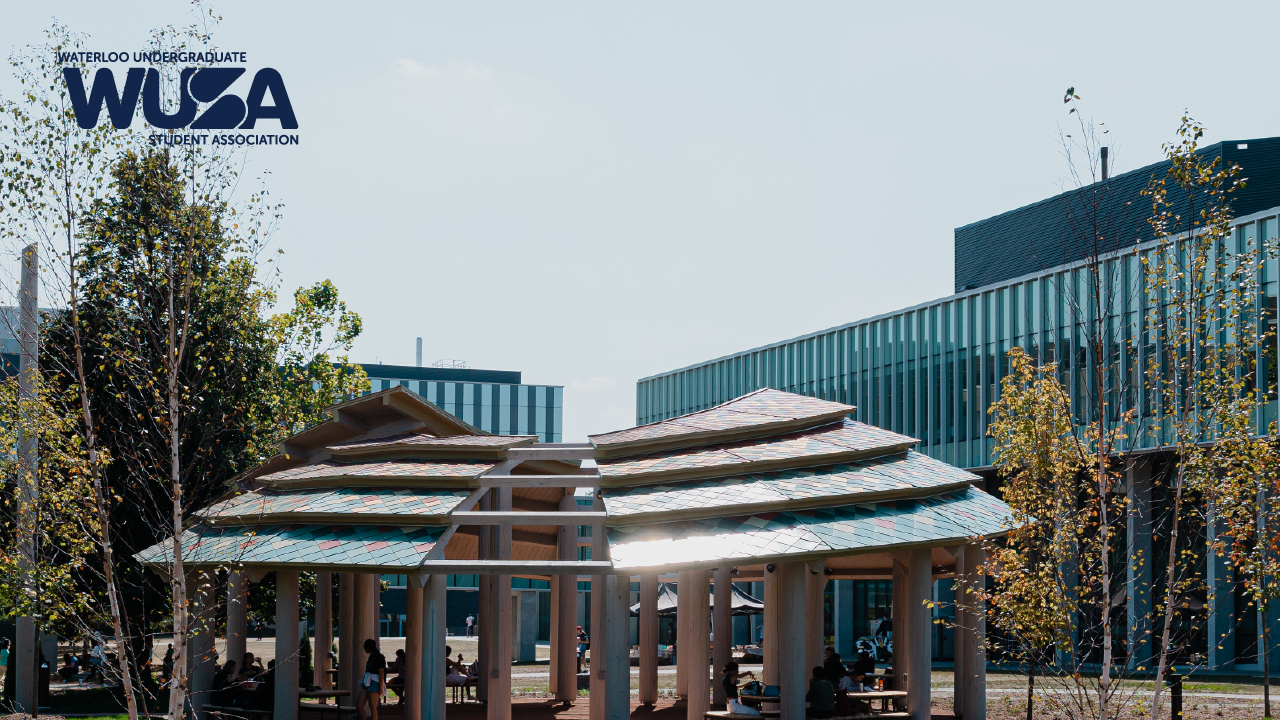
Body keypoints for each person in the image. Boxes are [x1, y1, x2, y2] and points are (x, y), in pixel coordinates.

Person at [356, 638, 386, 720]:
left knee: (372, 707)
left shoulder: (378, 657)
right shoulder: (372, 656)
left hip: (374, 681)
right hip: (367, 680)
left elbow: (381, 671)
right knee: (359, 705)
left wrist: (380, 686)